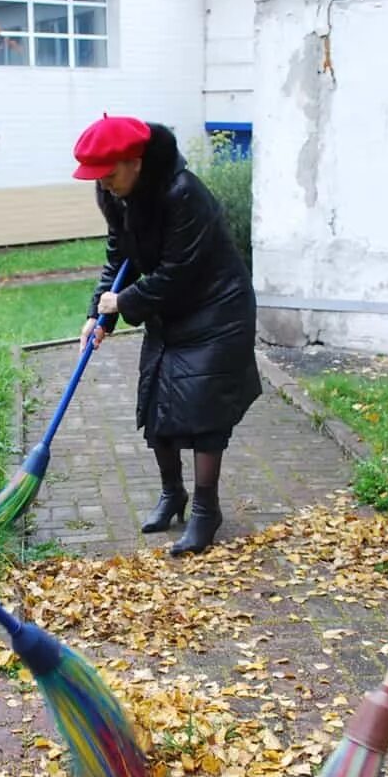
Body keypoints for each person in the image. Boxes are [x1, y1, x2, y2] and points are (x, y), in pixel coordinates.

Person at [73, 115, 261, 555]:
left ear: (135, 161)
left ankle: (205, 511)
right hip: (169, 311)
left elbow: (180, 270)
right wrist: (97, 315)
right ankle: (172, 494)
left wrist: (123, 303)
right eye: (96, 178)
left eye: (109, 173)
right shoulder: (117, 195)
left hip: (217, 308)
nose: (103, 183)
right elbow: (118, 257)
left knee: (204, 411)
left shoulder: (183, 194)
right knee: (158, 401)